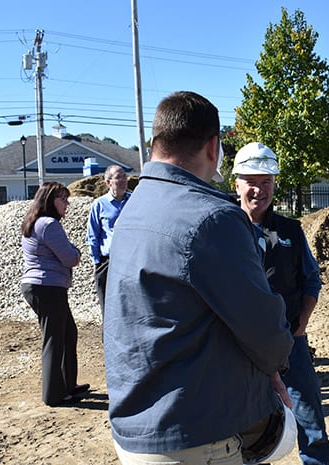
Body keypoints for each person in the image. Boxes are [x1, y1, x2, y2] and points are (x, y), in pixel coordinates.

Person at [103, 91, 295, 465]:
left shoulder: (133, 209)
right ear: (213, 146)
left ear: (156, 143)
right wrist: (274, 365)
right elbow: (262, 326)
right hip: (194, 435)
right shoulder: (212, 218)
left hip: (137, 425)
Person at [232, 142, 329, 465]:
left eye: (267, 182)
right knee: (242, 428)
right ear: (236, 183)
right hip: (238, 348)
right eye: (252, 182)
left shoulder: (290, 230)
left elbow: (311, 280)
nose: (259, 190)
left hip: (290, 343)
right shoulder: (222, 229)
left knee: (311, 424)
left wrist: (301, 325)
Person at [20, 181, 90, 407]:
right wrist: (76, 251)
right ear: (50, 201)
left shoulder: (35, 222)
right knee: (54, 339)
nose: (67, 204)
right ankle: (54, 394)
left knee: (67, 333)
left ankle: (68, 385)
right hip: (47, 287)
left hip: (42, 287)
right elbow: (70, 258)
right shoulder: (49, 224)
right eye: (63, 199)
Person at [85, 164, 131, 319]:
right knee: (108, 307)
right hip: (107, 262)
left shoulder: (134, 201)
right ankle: (109, 340)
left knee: (129, 305)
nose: (124, 180)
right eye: (118, 177)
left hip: (130, 261)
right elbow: (93, 234)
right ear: (108, 182)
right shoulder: (99, 204)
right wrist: (97, 261)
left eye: (124, 176)